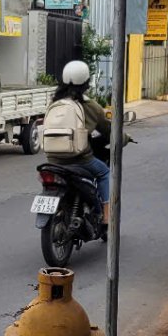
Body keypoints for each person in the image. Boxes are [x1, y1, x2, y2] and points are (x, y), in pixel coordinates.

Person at [45, 60, 124, 227]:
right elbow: (109, 132)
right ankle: (106, 216)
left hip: (53, 160)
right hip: (80, 160)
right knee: (103, 173)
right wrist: (123, 138)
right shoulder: (91, 106)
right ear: (87, 82)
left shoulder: (54, 103)